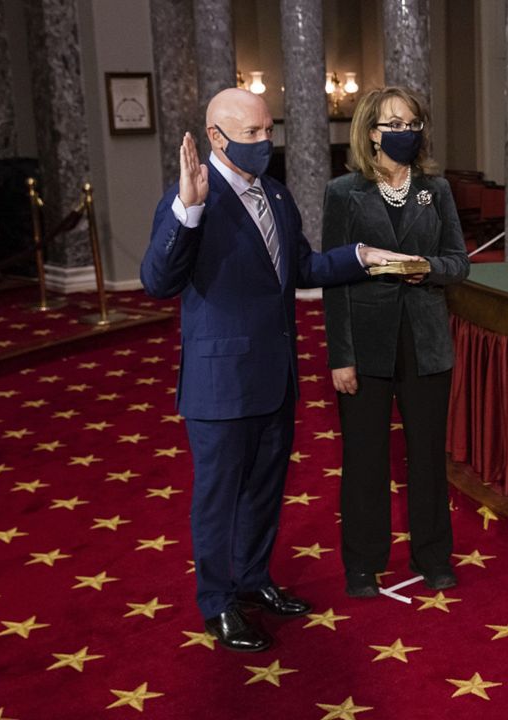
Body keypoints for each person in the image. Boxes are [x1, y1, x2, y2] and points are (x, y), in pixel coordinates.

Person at [141, 88, 418, 652]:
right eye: (252, 135)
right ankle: (217, 605)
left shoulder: (276, 194)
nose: (266, 142)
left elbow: (302, 268)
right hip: (219, 386)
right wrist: (187, 211)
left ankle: (252, 580)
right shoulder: (190, 197)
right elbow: (157, 282)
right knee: (218, 499)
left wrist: (361, 257)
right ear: (216, 138)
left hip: (275, 375)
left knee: (265, 492)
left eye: (270, 130)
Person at [321, 86, 470, 598]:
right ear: (371, 132)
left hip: (426, 342)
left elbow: (459, 262)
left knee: (427, 456)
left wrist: (427, 268)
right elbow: (334, 279)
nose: (404, 133)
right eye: (393, 124)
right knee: (365, 456)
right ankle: (363, 563)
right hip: (366, 343)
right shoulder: (343, 193)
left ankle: (433, 557)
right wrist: (340, 357)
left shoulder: (437, 188)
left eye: (412, 124)